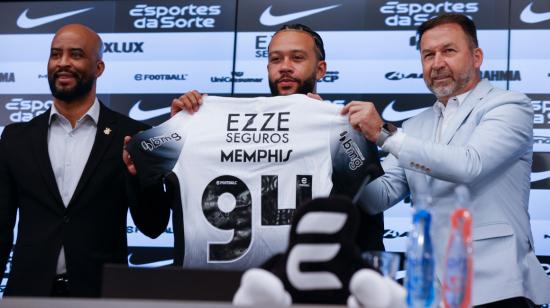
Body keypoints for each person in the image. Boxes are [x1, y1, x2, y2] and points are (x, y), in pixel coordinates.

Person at [126, 24, 385, 254]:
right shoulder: (205, 121)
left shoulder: (341, 129)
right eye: (275, 59)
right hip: (215, 289)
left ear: (321, 69)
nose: (285, 67)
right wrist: (181, 128)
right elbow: (152, 224)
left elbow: (368, 229)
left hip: (305, 287)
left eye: (297, 58)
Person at [348, 13, 550, 307]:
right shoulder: (416, 125)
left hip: (498, 287)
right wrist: (334, 147)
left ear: (477, 56)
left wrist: (383, 134)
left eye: (449, 51)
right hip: (433, 291)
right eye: (428, 55)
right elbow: (377, 197)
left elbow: (469, 165)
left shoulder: (510, 105)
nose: (437, 63)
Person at [0, 24, 152, 297]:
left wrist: (139, 176)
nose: (63, 63)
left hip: (101, 295)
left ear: (99, 68)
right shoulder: (15, 138)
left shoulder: (132, 135)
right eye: (56, 54)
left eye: (76, 54)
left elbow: (152, 226)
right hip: (27, 294)